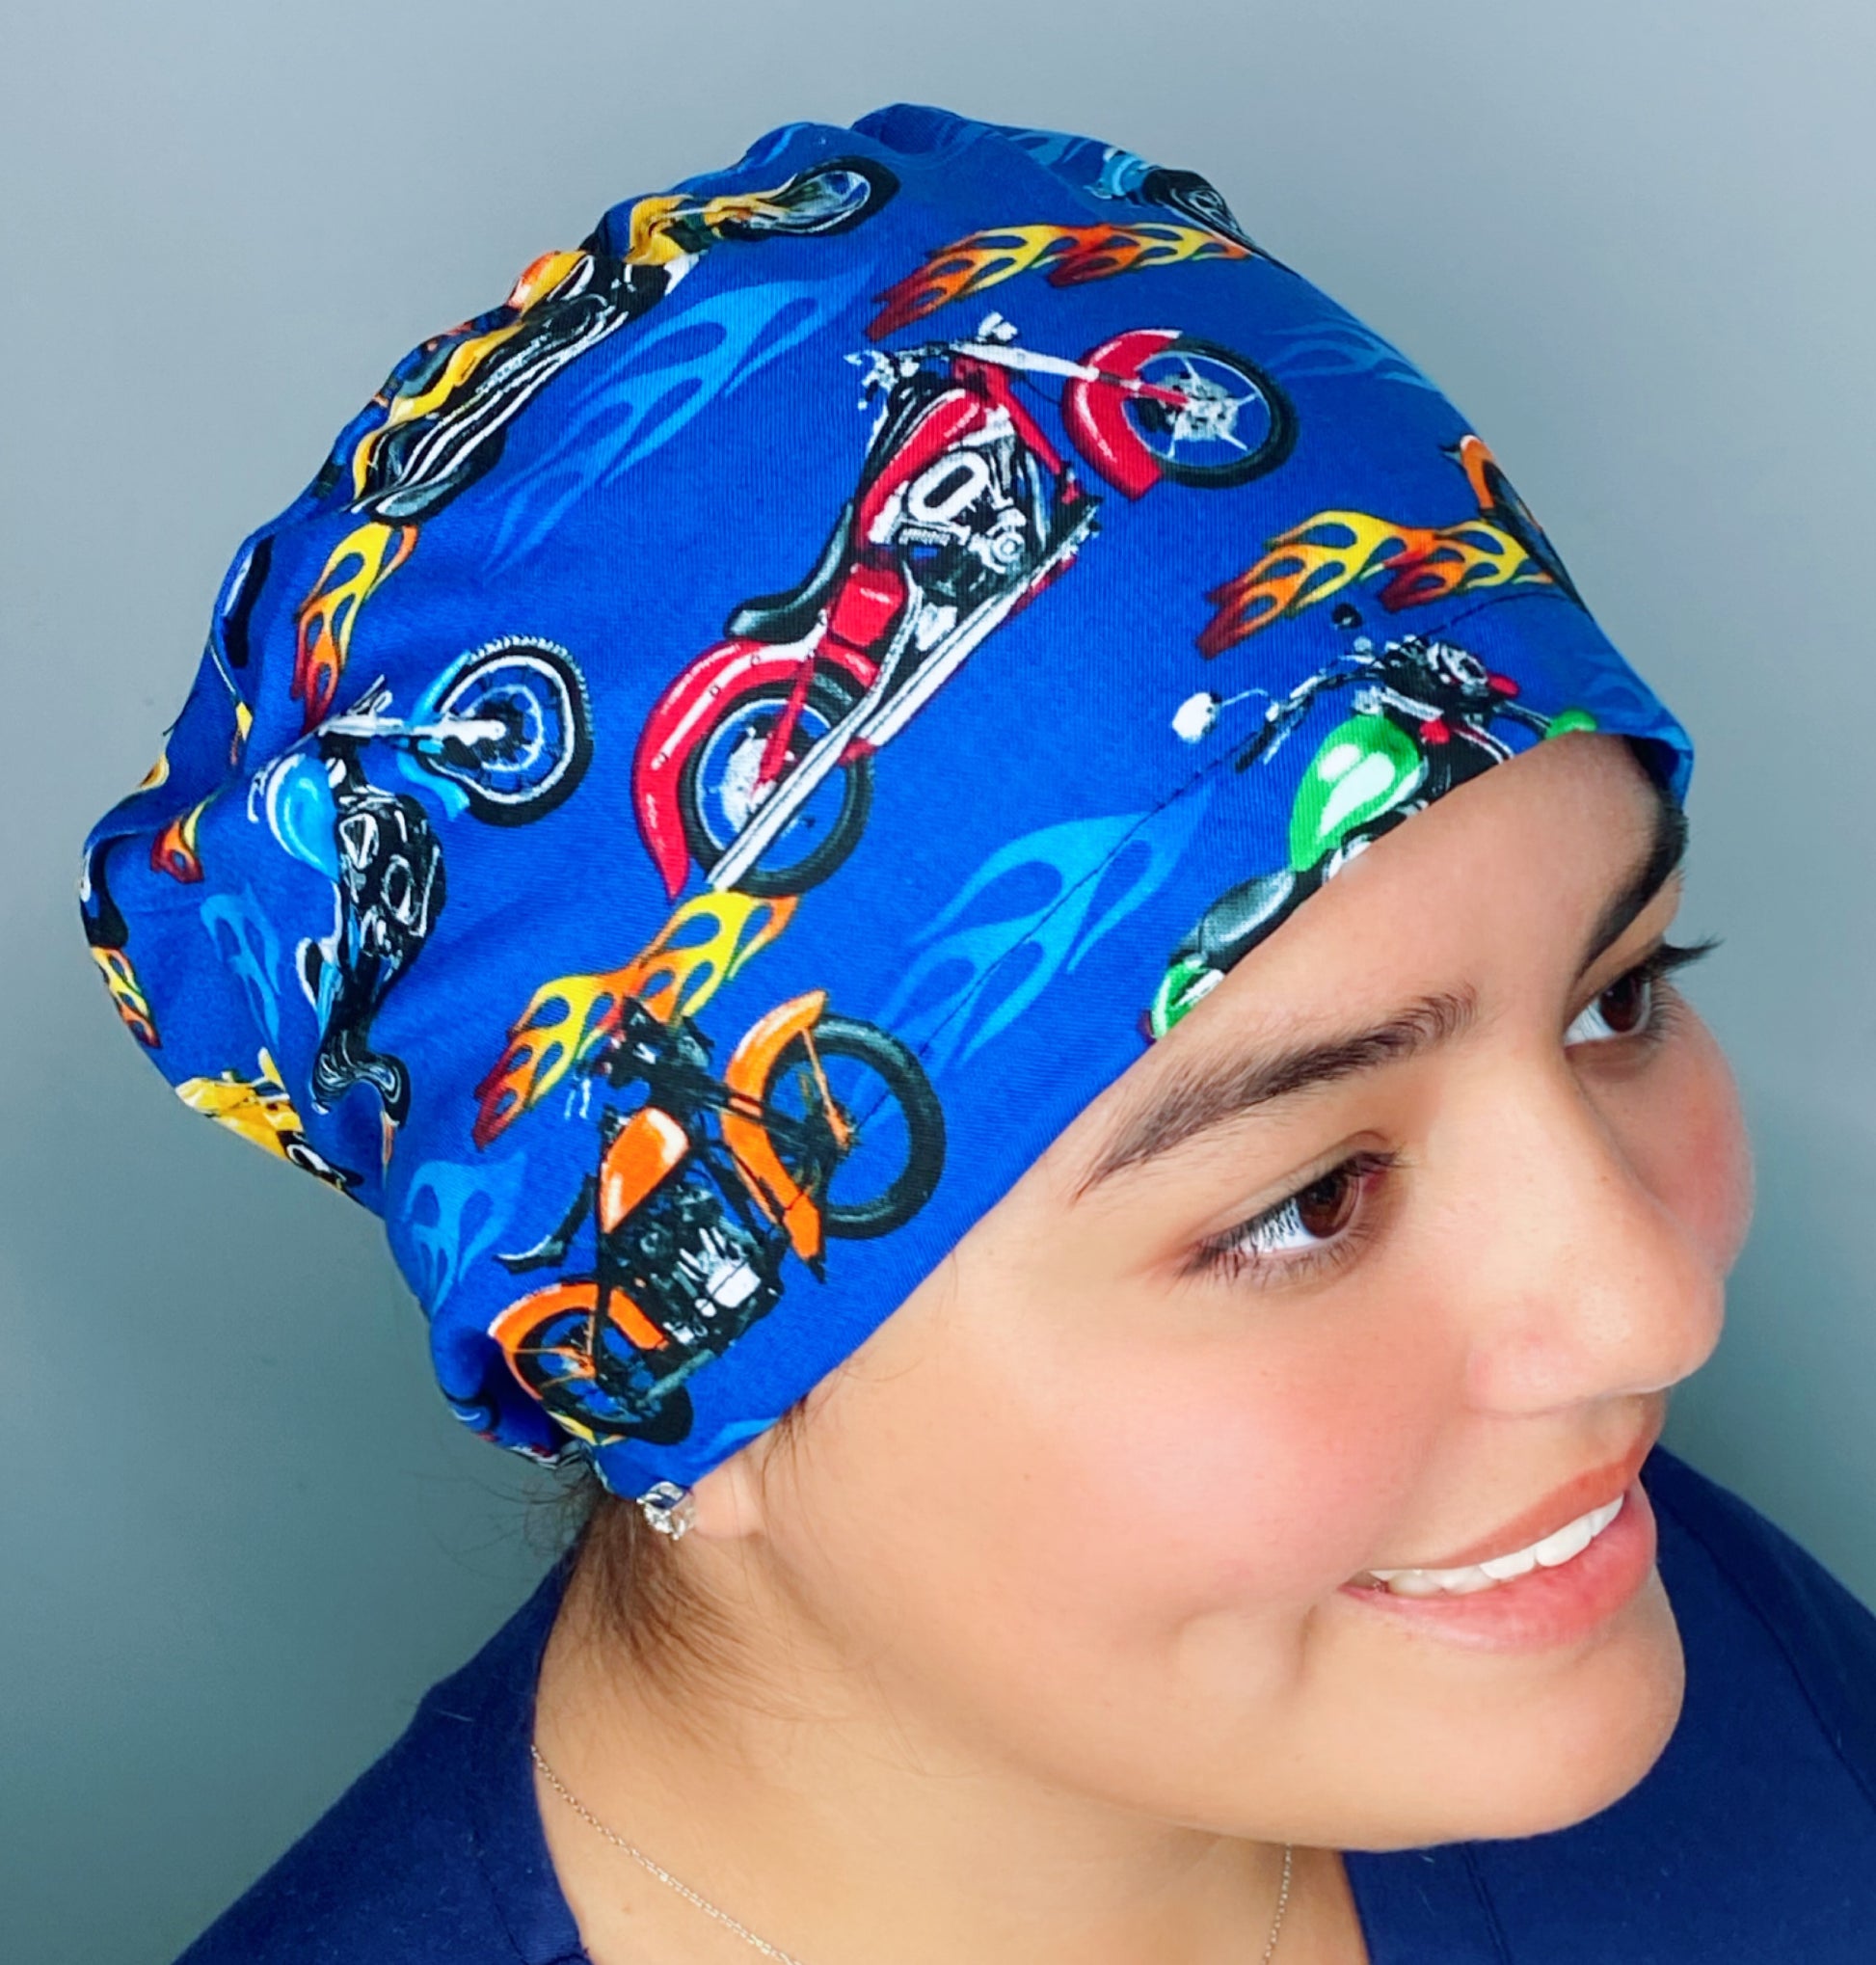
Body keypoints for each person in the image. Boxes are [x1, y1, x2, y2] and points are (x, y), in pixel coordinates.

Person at [79, 104, 1876, 1964]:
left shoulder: (1657, 1637)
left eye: (1615, 999)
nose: (1650, 1309)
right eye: (1309, 1200)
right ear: (680, 1375)